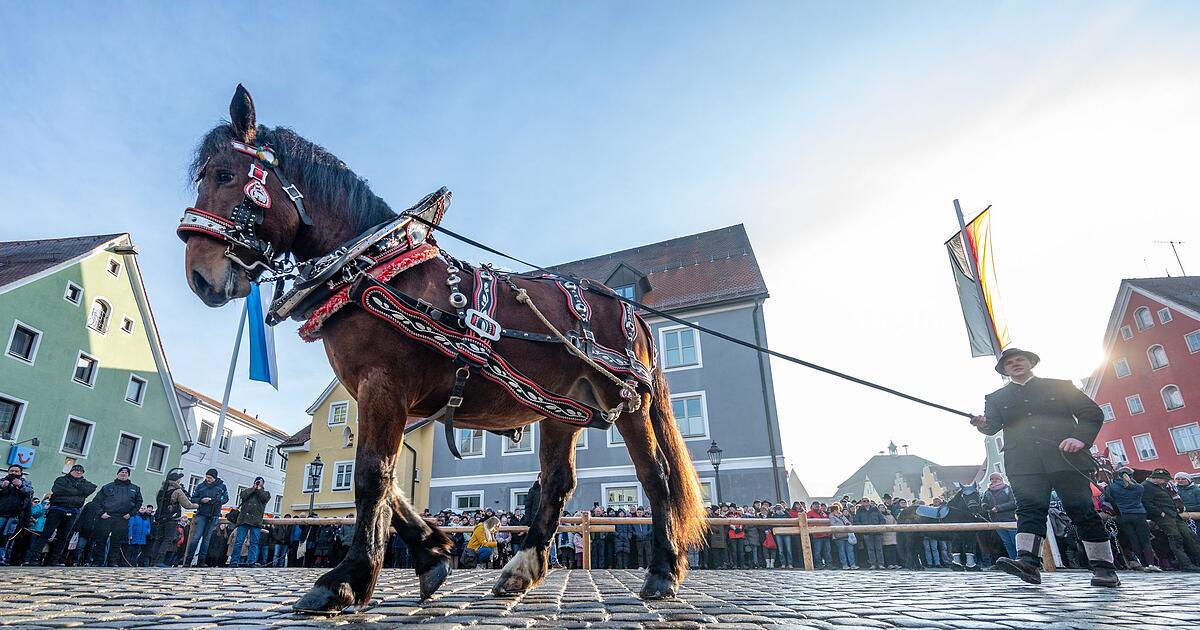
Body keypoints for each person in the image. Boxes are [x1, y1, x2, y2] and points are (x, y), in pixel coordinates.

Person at [971, 348, 1119, 587]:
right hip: (1024, 463)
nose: (1015, 364)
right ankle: (1027, 563)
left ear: (1031, 363)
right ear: (1005, 370)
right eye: (1009, 363)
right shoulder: (996, 398)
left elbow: (1091, 413)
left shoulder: (1060, 386)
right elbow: (992, 426)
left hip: (1065, 459)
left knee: (1081, 509)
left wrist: (1080, 438)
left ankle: (1104, 568)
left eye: (1020, 360)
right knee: (1029, 510)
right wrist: (981, 424)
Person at [25, 464, 95, 566]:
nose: (79, 472)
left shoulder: (85, 483)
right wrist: (78, 491)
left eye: (81, 471)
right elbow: (57, 490)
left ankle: (54, 560)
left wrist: (72, 489)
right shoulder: (61, 480)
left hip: (72, 511)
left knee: (63, 537)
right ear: (71, 471)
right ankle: (33, 558)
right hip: (57, 509)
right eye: (76, 470)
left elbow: (91, 488)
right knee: (46, 534)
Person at [1142, 468, 1200, 571]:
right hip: (1164, 517)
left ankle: (1196, 560)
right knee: (1176, 538)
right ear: (1157, 478)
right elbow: (1146, 503)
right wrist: (1160, 513)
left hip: (1174, 514)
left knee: (1190, 536)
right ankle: (1185, 564)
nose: (1167, 481)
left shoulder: (1162, 485)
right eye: (1165, 479)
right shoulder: (1146, 486)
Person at [1103, 466, 1160, 572]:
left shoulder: (1112, 487)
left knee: (1133, 540)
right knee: (1145, 540)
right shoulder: (1139, 487)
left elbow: (1106, 500)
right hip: (1139, 514)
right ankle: (1151, 564)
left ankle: (1143, 564)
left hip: (1123, 515)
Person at [89, 467, 143, 566]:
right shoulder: (108, 487)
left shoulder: (135, 488)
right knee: (101, 540)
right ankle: (97, 561)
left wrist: (131, 514)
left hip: (123, 518)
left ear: (128, 475)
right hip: (107, 516)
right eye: (122, 472)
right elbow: (96, 501)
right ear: (118, 474)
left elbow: (139, 502)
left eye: (126, 472)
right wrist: (101, 513)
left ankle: (112, 561)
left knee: (116, 541)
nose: (124, 474)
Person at [151, 470, 197, 566]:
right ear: (176, 481)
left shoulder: (160, 490)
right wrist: (199, 505)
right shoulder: (177, 491)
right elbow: (187, 505)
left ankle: (153, 561)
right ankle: (159, 561)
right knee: (167, 539)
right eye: (179, 479)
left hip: (160, 518)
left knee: (158, 539)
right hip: (171, 519)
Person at [185, 468, 228, 566]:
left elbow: (226, 498)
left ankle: (201, 561)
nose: (208, 479)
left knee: (206, 539)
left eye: (210, 478)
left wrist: (217, 501)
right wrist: (201, 500)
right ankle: (188, 560)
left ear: (214, 478)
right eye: (207, 477)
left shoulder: (222, 487)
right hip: (202, 514)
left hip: (214, 514)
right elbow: (193, 498)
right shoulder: (201, 486)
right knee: (196, 537)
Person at [231, 477, 271, 566]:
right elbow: (242, 496)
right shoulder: (248, 491)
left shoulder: (265, 493)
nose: (258, 483)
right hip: (244, 519)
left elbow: (265, 499)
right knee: (239, 542)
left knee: (254, 543)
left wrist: (259, 489)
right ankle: (234, 561)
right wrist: (253, 488)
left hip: (256, 521)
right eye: (257, 482)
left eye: (260, 482)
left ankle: (251, 562)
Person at [982, 472, 1018, 559]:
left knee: (1015, 542)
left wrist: (999, 508)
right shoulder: (987, 492)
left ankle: (1021, 560)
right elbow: (983, 502)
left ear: (1001, 479)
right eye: (992, 479)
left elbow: (1014, 503)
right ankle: (1013, 561)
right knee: (1007, 543)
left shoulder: (1008, 489)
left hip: (1010, 520)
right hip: (996, 521)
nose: (994, 480)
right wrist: (985, 506)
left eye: (996, 478)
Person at [852, 498, 885, 569]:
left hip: (877, 532)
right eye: (864, 501)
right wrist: (863, 528)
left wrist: (879, 527)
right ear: (862, 502)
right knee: (870, 549)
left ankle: (881, 564)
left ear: (870, 502)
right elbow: (856, 521)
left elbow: (882, 519)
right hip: (867, 533)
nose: (866, 502)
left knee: (879, 549)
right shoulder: (859, 511)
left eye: (867, 501)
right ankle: (873, 564)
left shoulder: (875, 509)